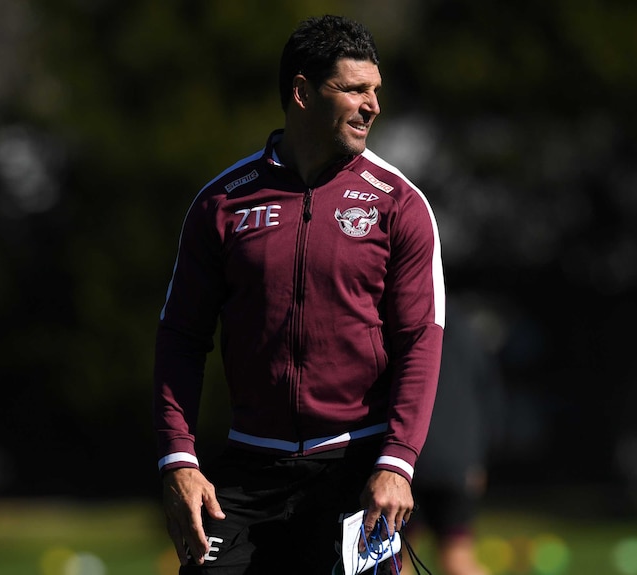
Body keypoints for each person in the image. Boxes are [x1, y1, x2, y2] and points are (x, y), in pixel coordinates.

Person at [153, 14, 446, 574]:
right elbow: (180, 337)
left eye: (375, 90)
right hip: (246, 471)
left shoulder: (400, 205)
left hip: (356, 470)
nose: (372, 105)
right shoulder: (222, 204)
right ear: (302, 93)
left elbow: (421, 342)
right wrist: (177, 459)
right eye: (355, 89)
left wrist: (397, 462)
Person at [409, 304, 506, 575]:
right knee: (458, 557)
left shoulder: (404, 325)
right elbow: (491, 401)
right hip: (458, 461)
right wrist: (479, 459)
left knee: (399, 559)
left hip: (410, 457)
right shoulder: (468, 332)